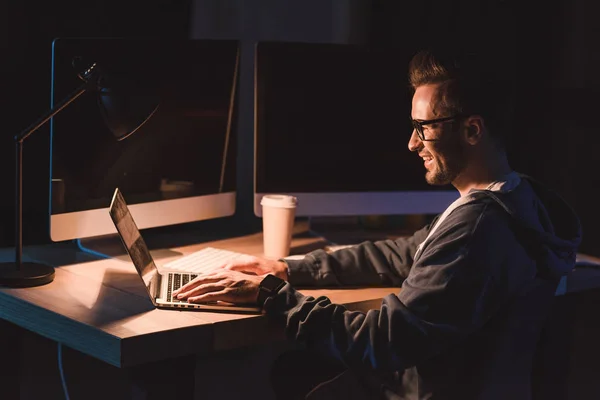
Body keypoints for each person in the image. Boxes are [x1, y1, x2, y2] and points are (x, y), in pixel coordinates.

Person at [173, 47, 581, 400]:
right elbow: (406, 252)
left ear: (472, 130)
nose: (412, 143)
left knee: (244, 375)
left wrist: (272, 296)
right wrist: (287, 269)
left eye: (424, 128)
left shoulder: (477, 227)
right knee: (289, 369)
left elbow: (382, 342)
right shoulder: (514, 198)